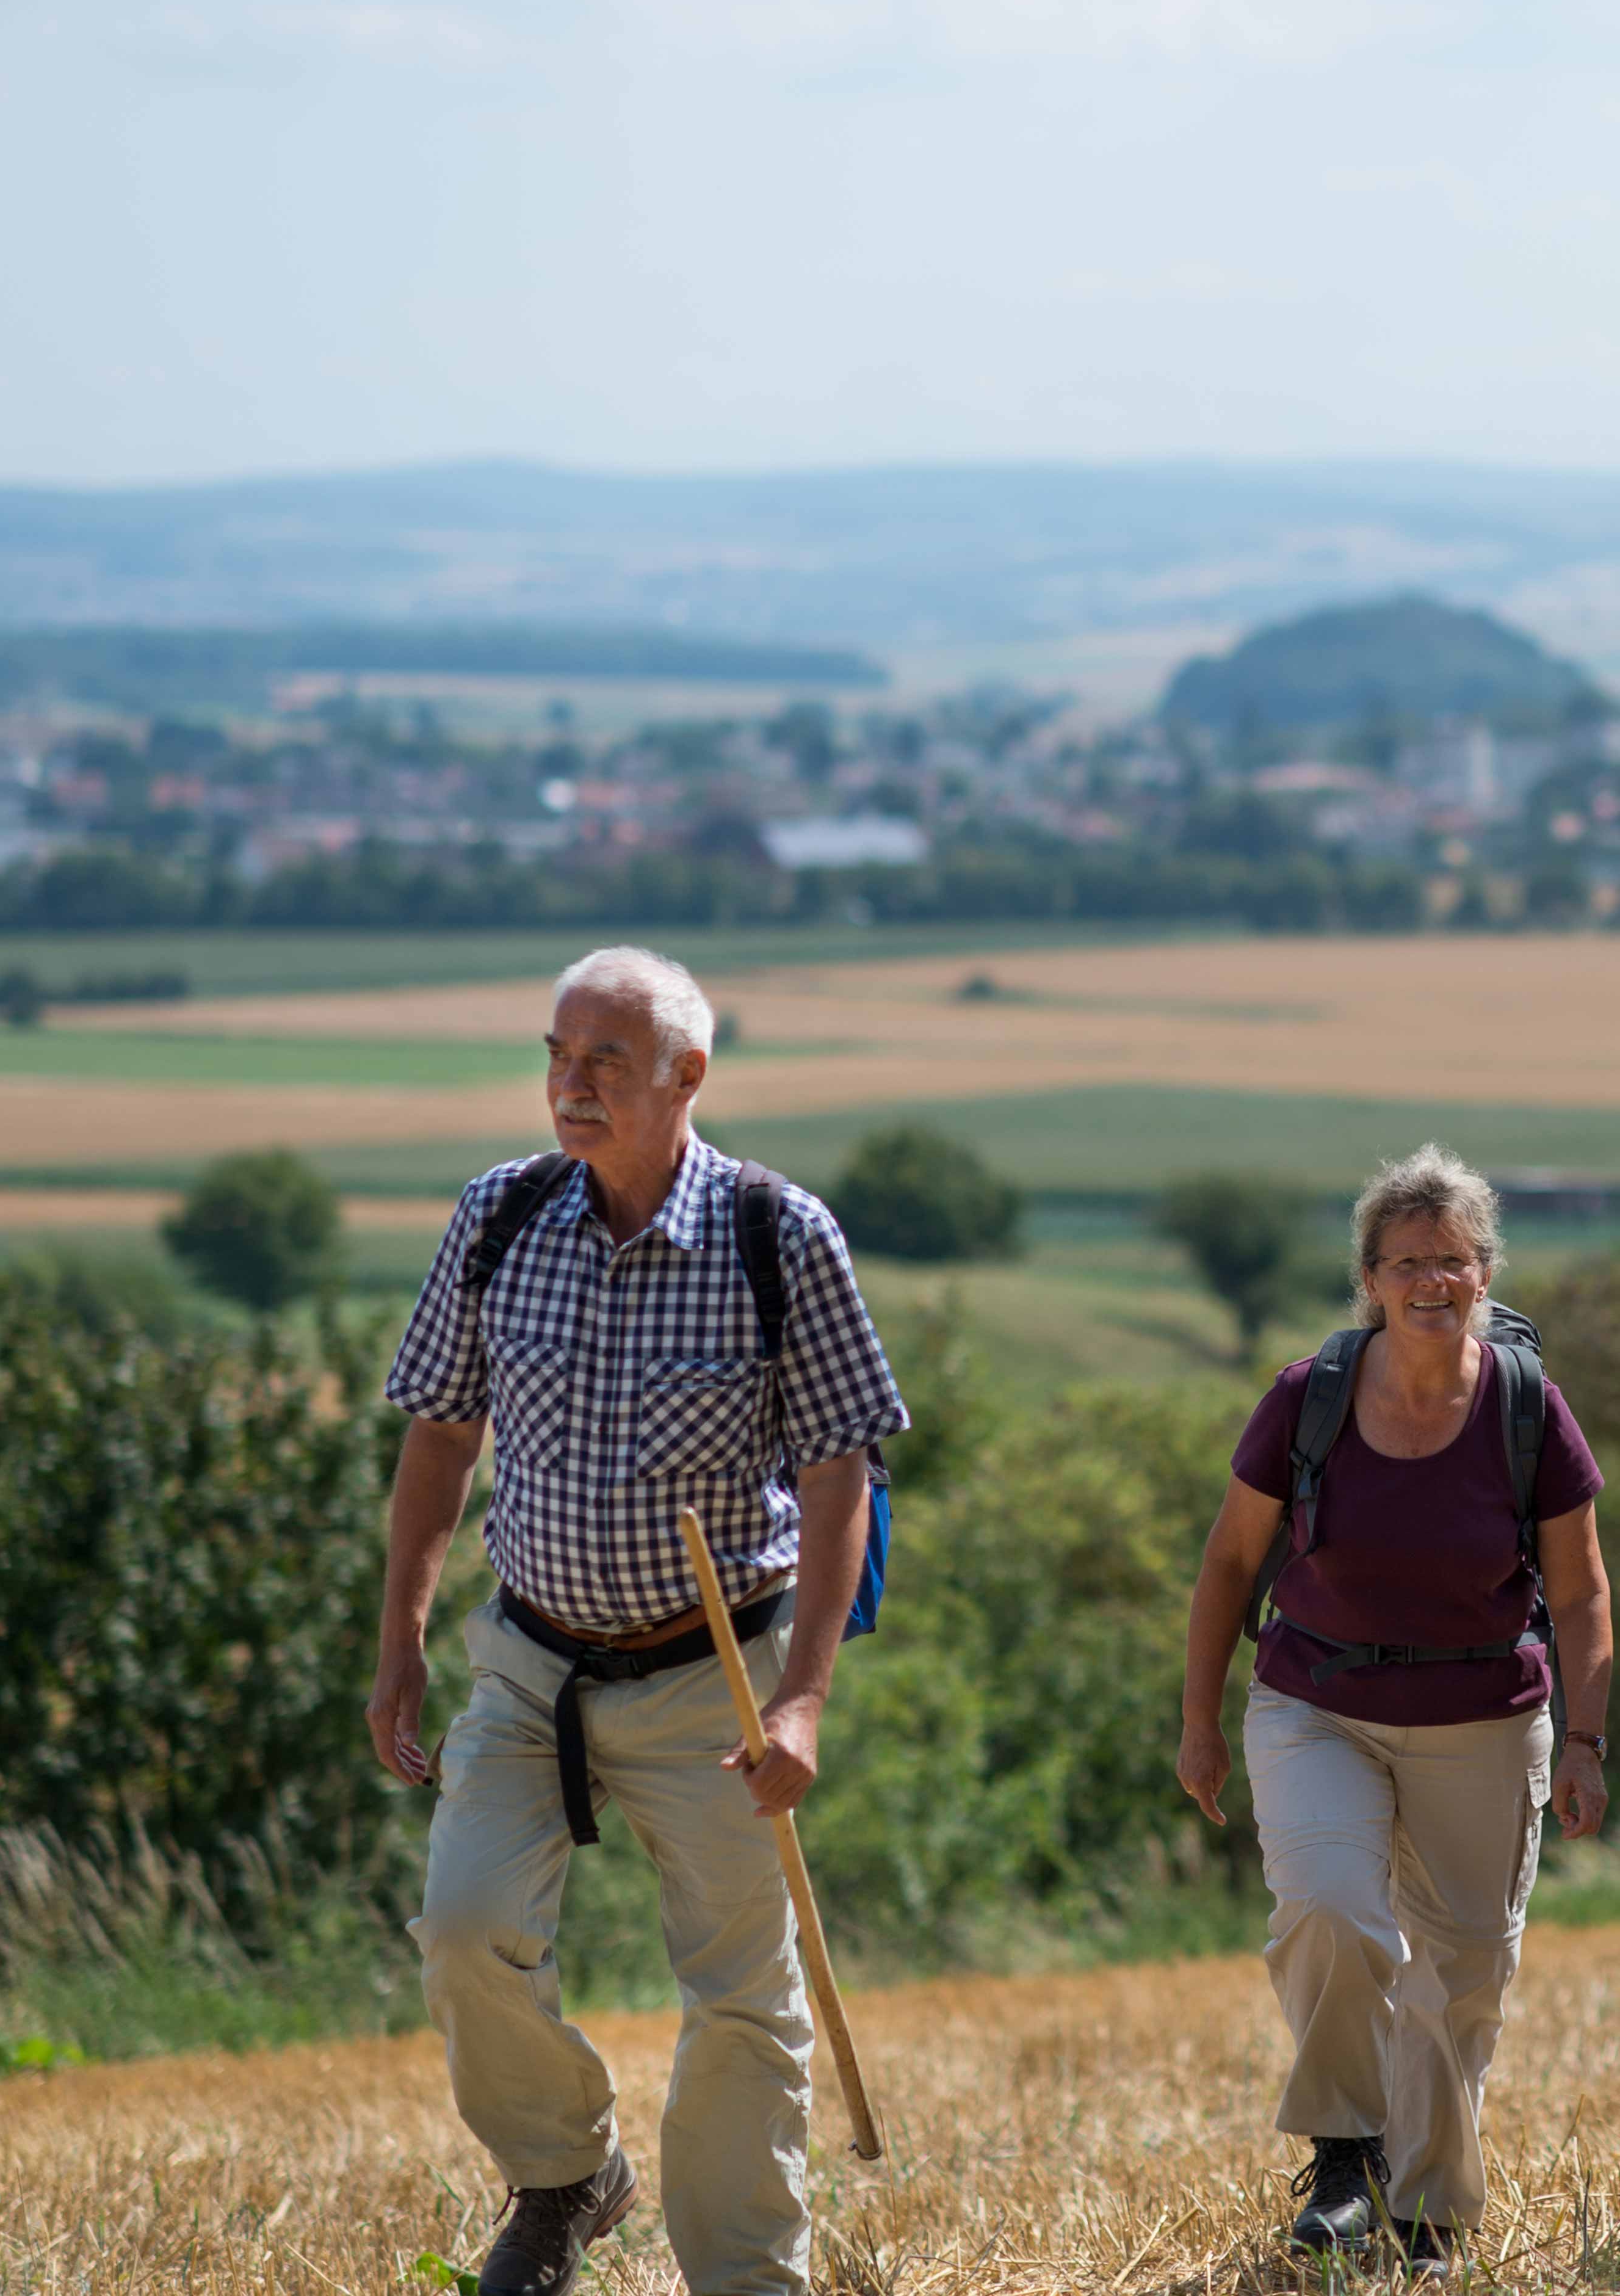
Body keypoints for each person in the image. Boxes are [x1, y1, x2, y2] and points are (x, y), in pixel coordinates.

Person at [370, 946, 909, 2296]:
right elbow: (441, 1438)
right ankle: (565, 2176)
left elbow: (845, 1470)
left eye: (605, 1060)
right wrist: (399, 1644)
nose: (571, 1084)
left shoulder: (779, 1234)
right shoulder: (499, 1214)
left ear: (688, 1075)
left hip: (714, 1671)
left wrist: (803, 1699)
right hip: (528, 1658)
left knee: (739, 1994)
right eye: (558, 1053)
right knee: (461, 1927)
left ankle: (741, 2277)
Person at [1175, 1145, 1615, 2272]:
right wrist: (1199, 1721)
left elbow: (1578, 1587)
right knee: (1330, 1908)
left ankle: (1429, 2216)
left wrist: (1588, 1736)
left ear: (1484, 1275)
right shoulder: (1307, 1397)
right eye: (1408, 1261)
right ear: (1369, 1278)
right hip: (1316, 1698)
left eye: (1455, 1261)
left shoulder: (1527, 1406)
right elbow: (1230, 1563)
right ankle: (1342, 2149)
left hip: (1484, 1710)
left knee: (1464, 1971)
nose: (1433, 1281)